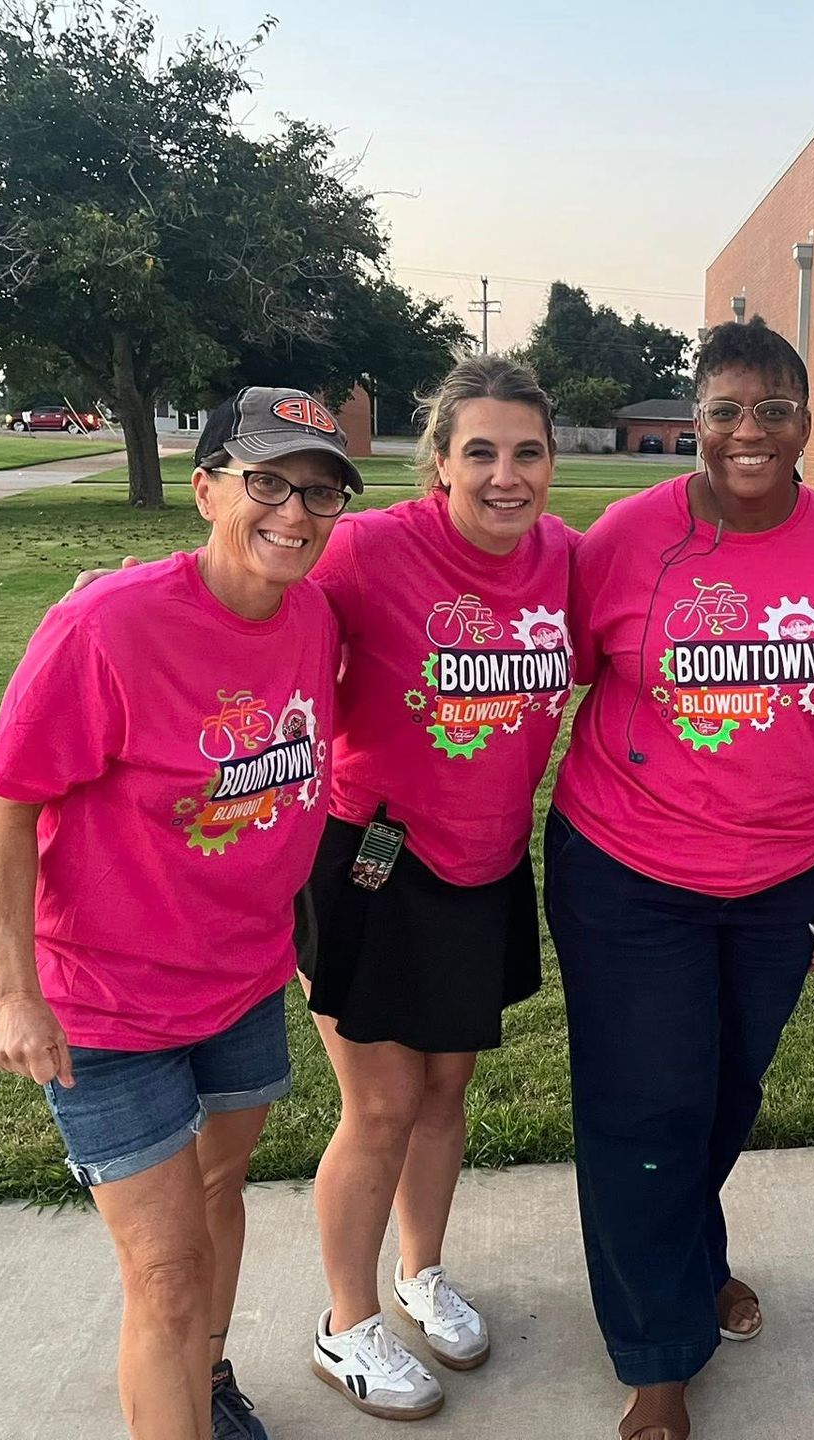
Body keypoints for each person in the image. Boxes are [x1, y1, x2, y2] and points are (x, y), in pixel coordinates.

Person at [0, 388, 359, 1440]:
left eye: (318, 492)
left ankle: (211, 1380)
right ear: (204, 491)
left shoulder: (312, 614)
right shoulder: (106, 626)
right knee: (165, 1271)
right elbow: (6, 811)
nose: (293, 511)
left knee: (220, 1189)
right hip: (105, 1005)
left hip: (239, 982)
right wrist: (14, 995)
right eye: (266, 482)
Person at [544, 317, 814, 1440]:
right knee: (644, 1104)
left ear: (809, 422)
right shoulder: (621, 541)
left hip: (780, 880)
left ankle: (693, 1263)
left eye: (775, 410)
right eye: (726, 411)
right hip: (628, 870)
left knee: (724, 1093)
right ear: (692, 424)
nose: (751, 432)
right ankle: (657, 1353)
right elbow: (536, 669)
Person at [298, 356, 573, 1420]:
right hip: (374, 861)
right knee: (379, 1106)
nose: (506, 477)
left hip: (489, 859)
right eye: (482, 453)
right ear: (440, 465)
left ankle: (420, 1273)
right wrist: (132, 604)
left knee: (446, 1096)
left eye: (527, 453)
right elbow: (249, 596)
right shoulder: (369, 550)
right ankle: (345, 1324)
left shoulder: (562, 560)